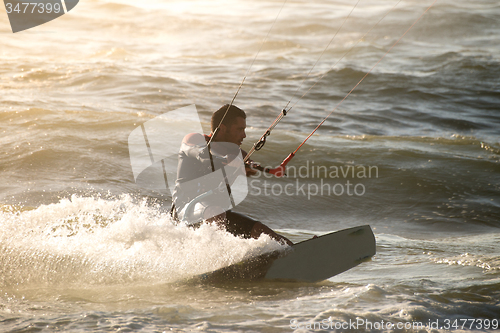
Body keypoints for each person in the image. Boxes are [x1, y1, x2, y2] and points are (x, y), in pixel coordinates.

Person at [171, 104, 293, 246]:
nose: (244, 135)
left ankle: (299, 254)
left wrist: (272, 170)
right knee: (216, 212)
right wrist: (223, 160)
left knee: (268, 237)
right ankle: (216, 258)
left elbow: (252, 165)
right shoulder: (194, 139)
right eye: (240, 129)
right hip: (184, 211)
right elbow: (200, 154)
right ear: (222, 128)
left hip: (216, 216)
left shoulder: (238, 154)